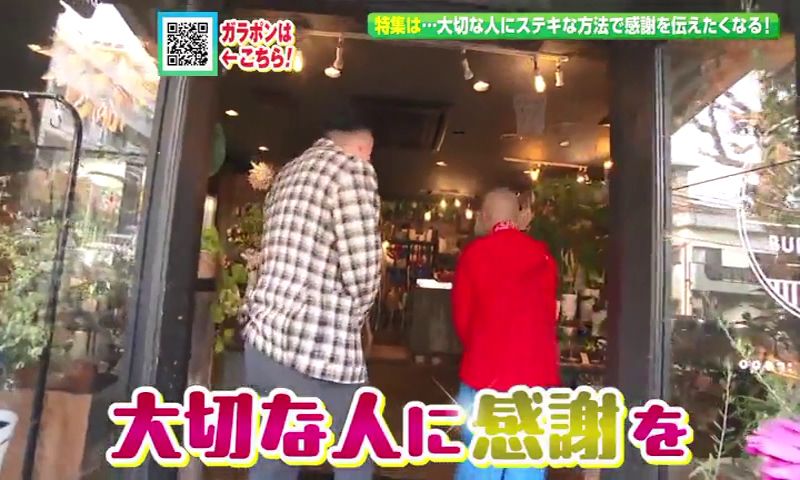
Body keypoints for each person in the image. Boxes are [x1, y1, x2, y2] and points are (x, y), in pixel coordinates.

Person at [239, 106, 382, 480]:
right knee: (355, 454)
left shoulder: (289, 173)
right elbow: (364, 271)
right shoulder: (352, 170)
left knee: (273, 460)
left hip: (264, 341)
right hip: (315, 346)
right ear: (362, 147)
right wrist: (354, 321)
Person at [451, 187, 559, 480]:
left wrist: (482, 347)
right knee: (526, 465)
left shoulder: (474, 255)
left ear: (486, 216)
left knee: (479, 462)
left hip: (485, 375)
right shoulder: (543, 257)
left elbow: (463, 319)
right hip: (535, 379)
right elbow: (547, 315)